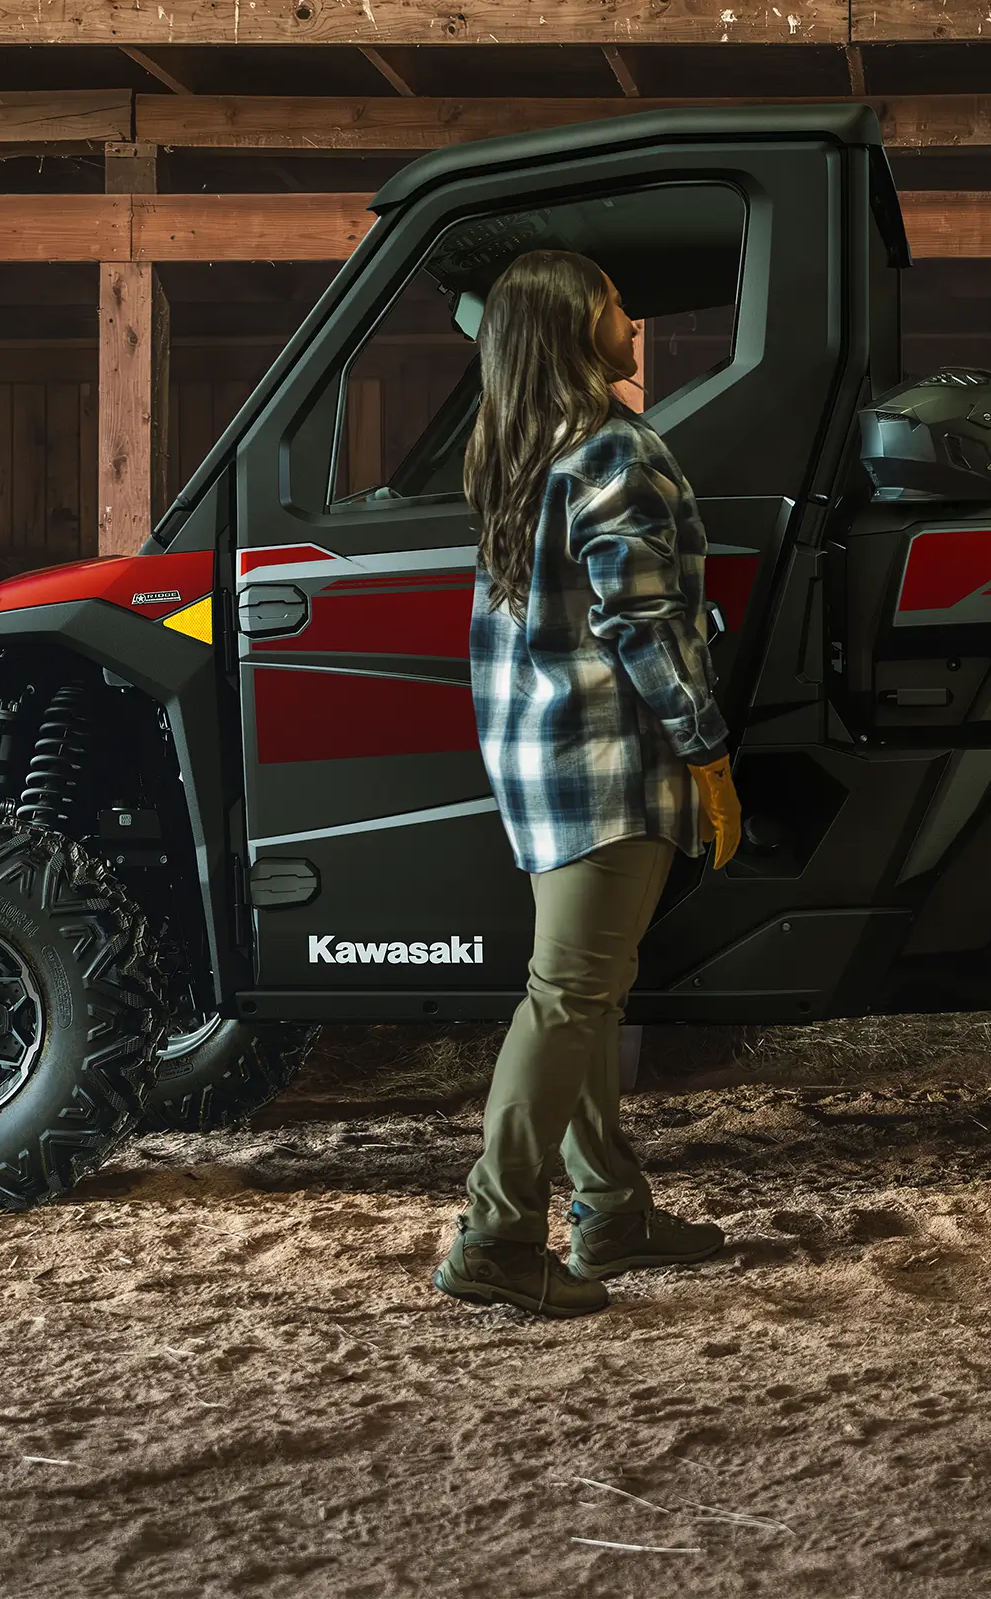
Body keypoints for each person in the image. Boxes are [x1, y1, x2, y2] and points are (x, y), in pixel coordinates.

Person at [434, 247, 745, 1318]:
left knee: (587, 994)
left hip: (535, 764)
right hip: (608, 766)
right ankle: (498, 1232)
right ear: (574, 326)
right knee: (568, 996)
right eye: (614, 299)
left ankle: (611, 1207)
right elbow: (644, 622)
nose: (630, 311)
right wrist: (707, 748)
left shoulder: (516, 453)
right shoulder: (612, 450)